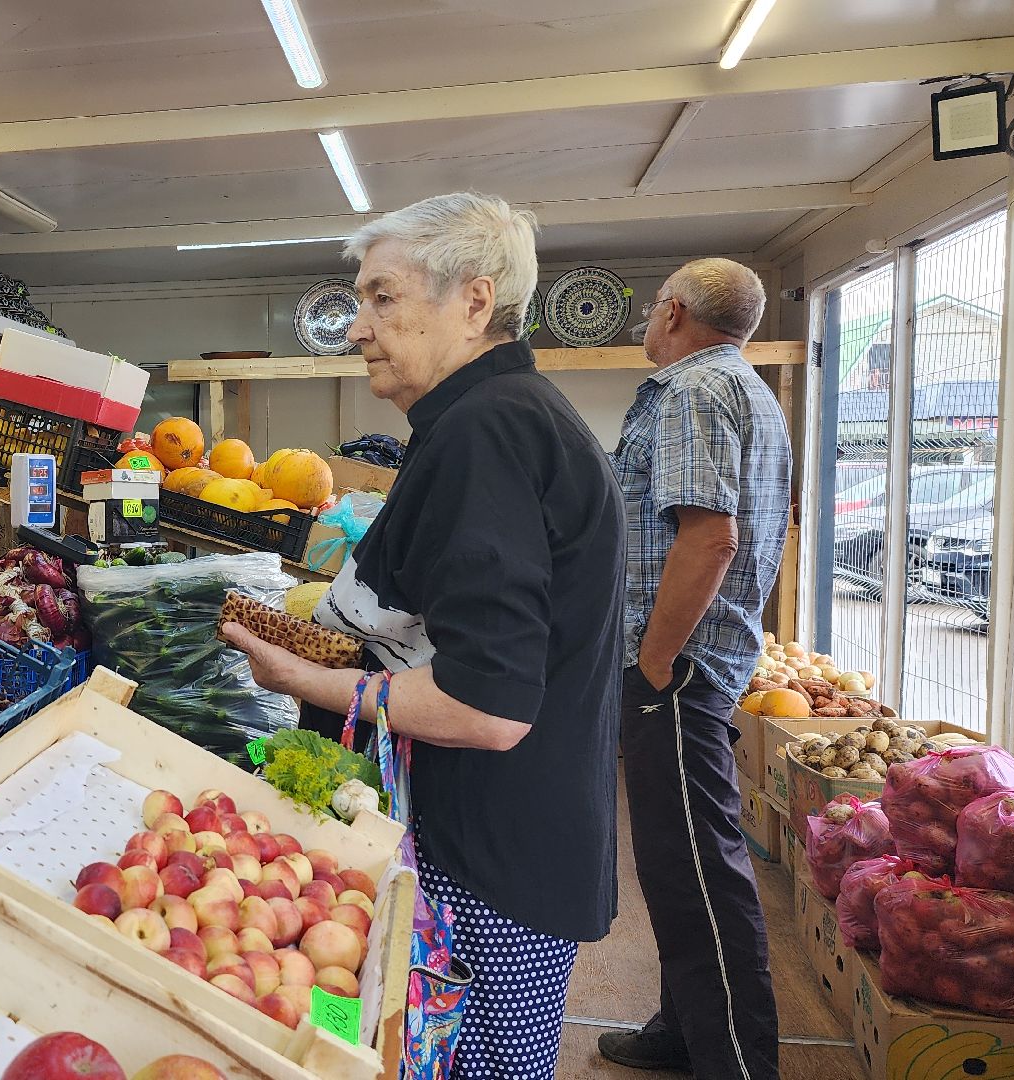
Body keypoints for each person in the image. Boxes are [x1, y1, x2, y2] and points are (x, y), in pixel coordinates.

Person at [221, 191, 624, 1080]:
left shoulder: (488, 432)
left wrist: (302, 678)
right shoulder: (506, 416)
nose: (357, 326)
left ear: (475, 302)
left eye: (383, 297)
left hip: (485, 868)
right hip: (508, 844)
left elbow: (488, 706)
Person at [597, 258, 790, 1080]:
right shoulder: (742, 387)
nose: (647, 319)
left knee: (699, 871)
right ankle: (683, 1029)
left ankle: (736, 1064)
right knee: (680, 864)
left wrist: (653, 662)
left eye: (651, 307)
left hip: (678, 671)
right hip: (699, 661)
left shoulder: (693, 392)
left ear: (673, 312)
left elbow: (710, 538)